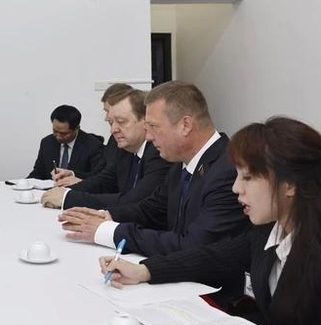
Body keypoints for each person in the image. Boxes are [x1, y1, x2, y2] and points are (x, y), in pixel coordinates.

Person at [100, 117, 321, 325]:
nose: (236, 187)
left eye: (247, 177)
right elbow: (215, 255)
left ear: (290, 184)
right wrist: (145, 270)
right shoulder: (269, 230)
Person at [59, 81, 249, 256]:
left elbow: (194, 245)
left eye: (153, 126)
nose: (148, 136)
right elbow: (151, 210)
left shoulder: (228, 170)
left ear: (185, 125)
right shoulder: (180, 163)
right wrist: (105, 216)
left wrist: (109, 231)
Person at [41, 89, 172, 210]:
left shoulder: (158, 153)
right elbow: (104, 181)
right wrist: (65, 191)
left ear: (145, 121)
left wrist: (67, 198)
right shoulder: (125, 149)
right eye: (111, 123)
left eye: (121, 121)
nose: (113, 130)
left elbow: (134, 200)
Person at [27, 104, 106, 181]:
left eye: (63, 133)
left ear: (77, 128)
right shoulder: (47, 142)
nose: (57, 136)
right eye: (55, 130)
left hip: (78, 192)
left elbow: (97, 178)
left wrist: (73, 175)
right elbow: (38, 173)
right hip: (50, 191)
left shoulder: (93, 145)